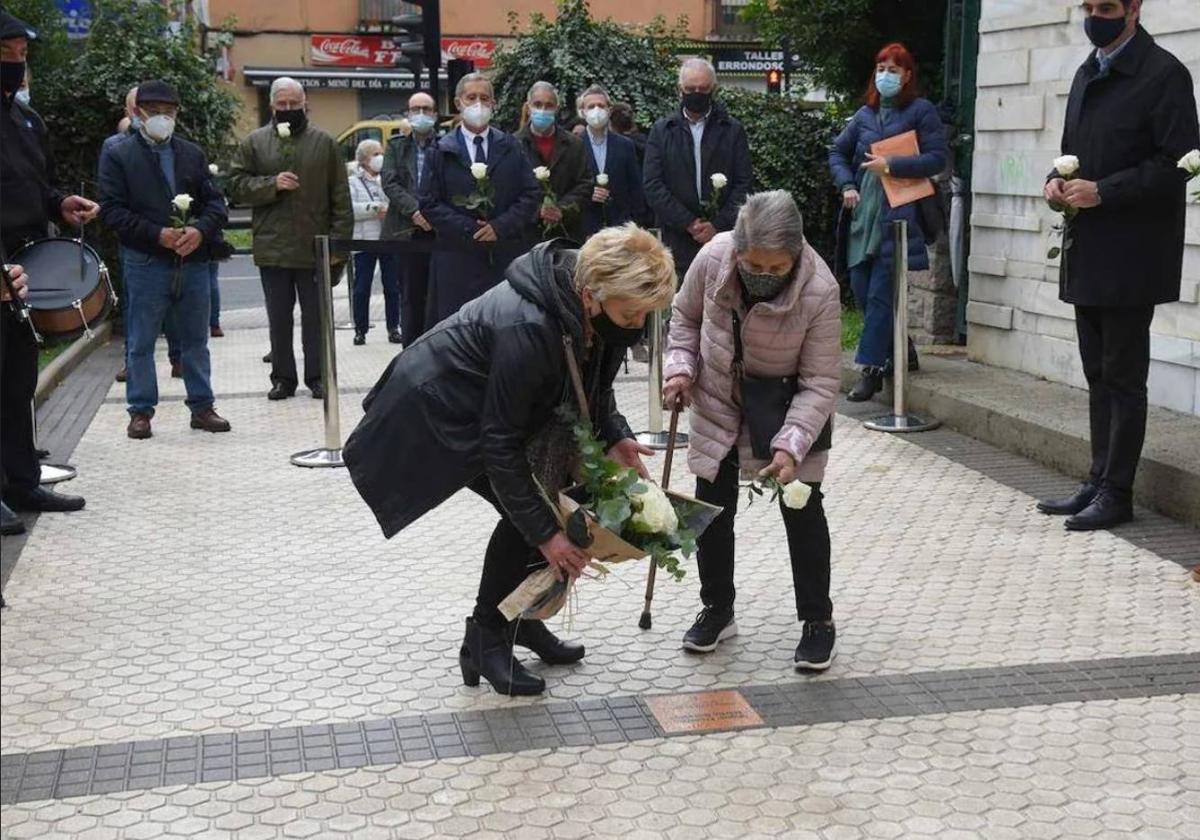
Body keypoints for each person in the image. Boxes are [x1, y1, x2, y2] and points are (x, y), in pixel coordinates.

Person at [344, 224, 674, 696]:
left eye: (646, 314)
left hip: (486, 409)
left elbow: (594, 380)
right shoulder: (530, 327)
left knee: (541, 508)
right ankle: (486, 638)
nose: (637, 325)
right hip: (439, 414)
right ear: (591, 295)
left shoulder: (591, 308)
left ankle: (519, 619)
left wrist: (615, 435)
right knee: (531, 518)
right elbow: (498, 444)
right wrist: (547, 536)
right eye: (630, 314)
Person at [1036, 0, 1199, 531]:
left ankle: (1117, 492)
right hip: (1088, 246)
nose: (1094, 17)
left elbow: (1179, 164)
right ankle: (1097, 478)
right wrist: (1056, 183)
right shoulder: (1088, 70)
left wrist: (1105, 191)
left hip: (1133, 251)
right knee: (1097, 372)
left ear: (1134, 9)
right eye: (1088, 6)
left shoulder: (1164, 74)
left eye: (1105, 7)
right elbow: (1072, 151)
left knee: (1124, 376)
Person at [663, 191, 842, 670]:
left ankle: (818, 620)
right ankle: (717, 609)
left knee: (802, 509)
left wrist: (790, 445)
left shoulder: (819, 290)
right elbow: (685, 319)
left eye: (774, 268)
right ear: (736, 250)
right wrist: (679, 369)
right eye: (752, 265)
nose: (761, 277)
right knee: (710, 509)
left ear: (797, 254)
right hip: (719, 397)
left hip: (788, 405)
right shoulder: (714, 257)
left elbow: (821, 381)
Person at [0, 10, 96, 530]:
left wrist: (61, 205)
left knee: (17, 382)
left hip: (25, 268)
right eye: (6, 53)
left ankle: (20, 481)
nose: (16, 63)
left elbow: (40, 188)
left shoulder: (27, 120)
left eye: (22, 54)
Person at [98, 80, 231, 440]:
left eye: (168, 112)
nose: (162, 119)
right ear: (137, 113)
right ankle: (140, 412)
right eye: (154, 112)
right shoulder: (119, 154)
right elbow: (111, 211)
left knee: (195, 340)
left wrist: (200, 231)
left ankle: (202, 406)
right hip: (145, 261)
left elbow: (216, 203)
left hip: (192, 260)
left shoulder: (191, 153)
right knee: (141, 340)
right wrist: (158, 234)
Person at [829, 42, 947, 403]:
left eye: (893, 70)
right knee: (864, 291)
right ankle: (902, 347)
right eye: (881, 69)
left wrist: (892, 165)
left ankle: (871, 370)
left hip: (900, 216)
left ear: (907, 75)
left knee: (881, 294)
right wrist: (847, 184)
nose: (886, 76)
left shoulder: (921, 111)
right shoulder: (865, 115)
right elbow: (836, 151)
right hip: (864, 218)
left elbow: (936, 159)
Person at [227, 76, 352, 401]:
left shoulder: (324, 143)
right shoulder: (254, 142)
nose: (288, 109)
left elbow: (340, 196)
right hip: (273, 248)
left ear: (304, 103)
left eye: (293, 104)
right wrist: (271, 184)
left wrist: (339, 245)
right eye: (282, 104)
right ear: (272, 106)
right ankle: (283, 378)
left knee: (316, 320)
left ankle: (318, 377)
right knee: (278, 319)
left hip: (315, 247)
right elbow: (235, 185)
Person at [419, 73, 541, 325]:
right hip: (457, 259)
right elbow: (429, 202)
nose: (478, 104)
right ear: (458, 102)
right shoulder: (441, 149)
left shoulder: (511, 147)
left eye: (485, 98)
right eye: (471, 97)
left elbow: (531, 194)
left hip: (503, 258)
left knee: (503, 329)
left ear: (494, 103)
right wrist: (469, 228)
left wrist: (500, 226)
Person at [644, 57, 753, 284]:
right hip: (675, 237)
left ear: (713, 89)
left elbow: (743, 184)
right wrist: (689, 222)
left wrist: (717, 224)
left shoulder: (732, 131)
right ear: (679, 89)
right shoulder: (662, 130)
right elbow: (653, 184)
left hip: (722, 237)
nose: (696, 93)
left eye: (703, 89)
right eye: (690, 88)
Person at [381, 90, 439, 344]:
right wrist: (415, 211)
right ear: (407, 114)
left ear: (435, 115)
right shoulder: (397, 146)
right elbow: (390, 183)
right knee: (410, 296)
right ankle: (411, 351)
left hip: (440, 231)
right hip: (407, 230)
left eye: (426, 109)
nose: (421, 114)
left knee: (438, 294)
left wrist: (434, 215)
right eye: (416, 109)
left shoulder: (446, 145)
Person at [515, 81, 591, 245]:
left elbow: (585, 184)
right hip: (527, 236)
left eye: (549, 105)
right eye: (537, 104)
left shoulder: (574, 144)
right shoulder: (513, 145)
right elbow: (509, 189)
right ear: (528, 107)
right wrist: (538, 212)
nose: (543, 110)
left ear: (556, 108)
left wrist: (562, 209)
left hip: (567, 234)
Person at [348, 138, 400, 346]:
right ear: (363, 159)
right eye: (374, 154)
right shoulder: (353, 182)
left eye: (381, 153)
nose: (380, 158)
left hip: (388, 238)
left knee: (392, 287)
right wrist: (375, 208)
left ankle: (393, 327)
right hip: (364, 240)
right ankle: (360, 329)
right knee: (361, 287)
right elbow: (351, 208)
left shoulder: (388, 178)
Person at [576, 85, 646, 238]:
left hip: (621, 229)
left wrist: (637, 225)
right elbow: (568, 186)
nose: (596, 110)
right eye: (591, 106)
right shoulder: (573, 145)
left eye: (601, 106)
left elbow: (636, 188)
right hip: (586, 229)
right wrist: (587, 194)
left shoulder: (625, 145)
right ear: (582, 111)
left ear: (609, 110)